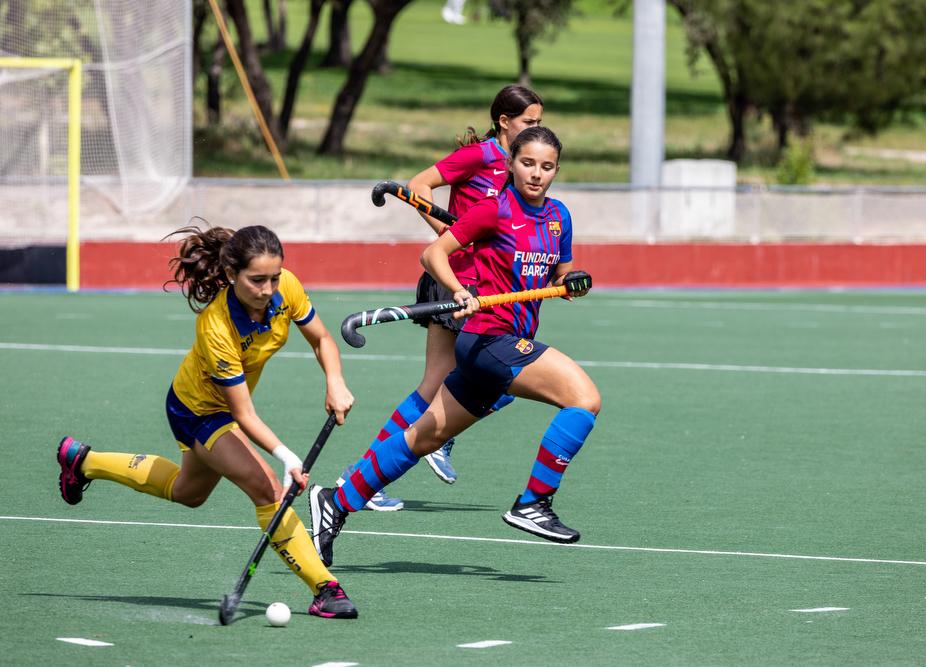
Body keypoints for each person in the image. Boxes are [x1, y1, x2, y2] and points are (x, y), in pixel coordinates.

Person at [309, 126, 599, 569]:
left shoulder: (559, 217)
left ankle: (336, 501)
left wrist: (571, 283)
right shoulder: (493, 211)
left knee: (424, 436)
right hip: (488, 339)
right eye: (527, 163)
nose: (536, 174)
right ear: (511, 163)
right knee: (583, 398)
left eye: (546, 166)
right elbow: (434, 254)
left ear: (556, 170)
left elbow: (561, 276)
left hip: (507, 341)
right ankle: (534, 502)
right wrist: (459, 288)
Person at [56, 224, 359, 620]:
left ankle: (83, 461)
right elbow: (242, 414)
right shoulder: (217, 326)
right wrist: (287, 457)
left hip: (217, 408)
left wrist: (334, 381)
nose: (268, 289)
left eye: (273, 277)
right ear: (232, 274)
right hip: (198, 410)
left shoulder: (287, 287)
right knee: (266, 487)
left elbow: (321, 339)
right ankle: (326, 590)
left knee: (188, 492)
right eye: (257, 280)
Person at [350, 84, 543, 509]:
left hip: (486, 288)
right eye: (529, 122)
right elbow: (420, 184)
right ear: (504, 122)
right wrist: (447, 234)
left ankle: (364, 475)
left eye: (539, 122)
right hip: (458, 282)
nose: (535, 129)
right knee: (495, 377)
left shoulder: (515, 167)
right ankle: (416, 452)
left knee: (442, 382)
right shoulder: (482, 155)